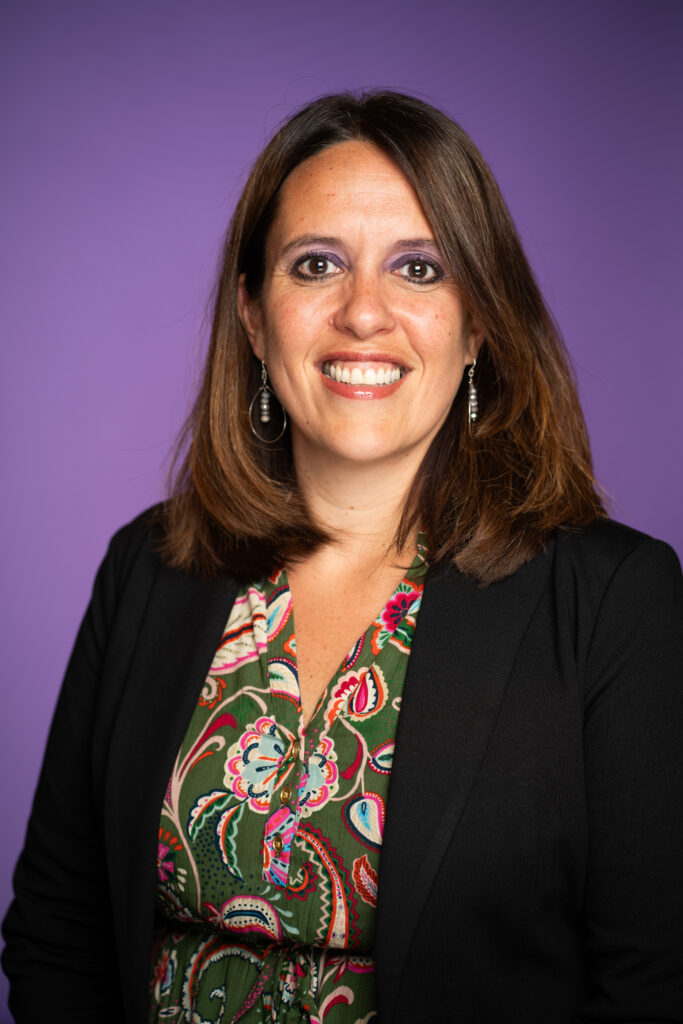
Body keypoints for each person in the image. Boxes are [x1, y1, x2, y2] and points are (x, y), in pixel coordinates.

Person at [3, 91, 683, 1024]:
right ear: (254, 314)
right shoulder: (147, 567)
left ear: (478, 323)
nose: (364, 313)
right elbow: (58, 927)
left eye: (419, 268)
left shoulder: (614, 603)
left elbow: (652, 984)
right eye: (316, 264)